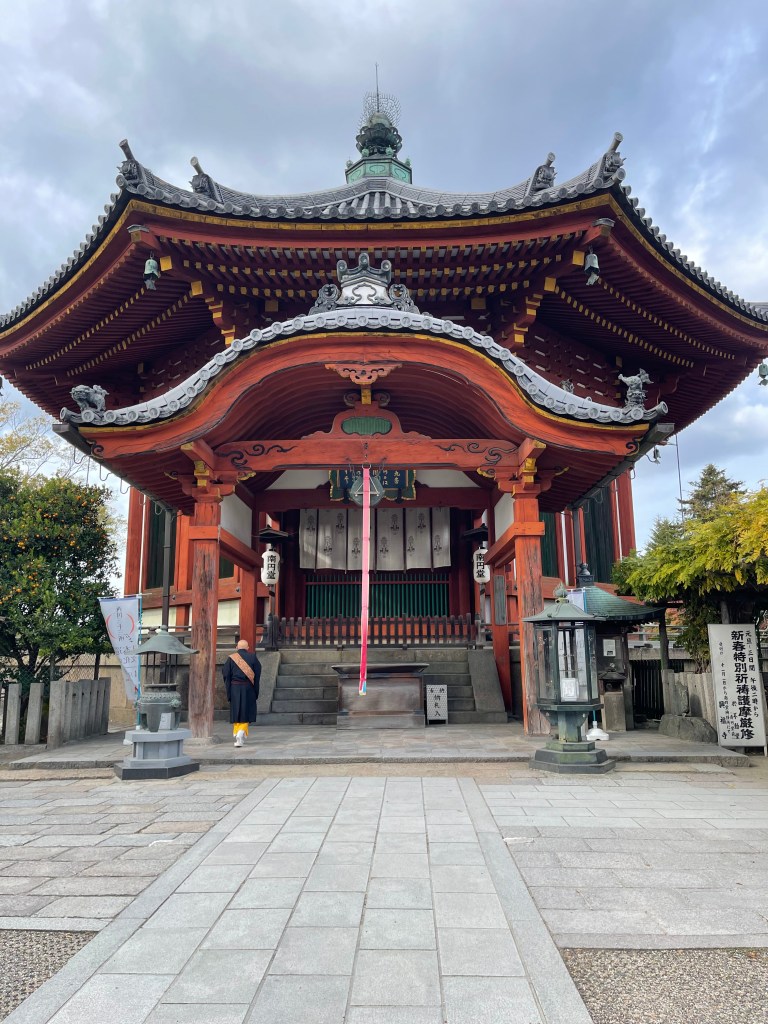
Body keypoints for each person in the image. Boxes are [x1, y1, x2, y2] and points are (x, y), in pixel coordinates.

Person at [222, 639, 261, 747]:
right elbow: (257, 675)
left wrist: (229, 690)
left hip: (234, 687)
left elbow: (226, 674)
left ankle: (238, 735)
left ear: (236, 648)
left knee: (236, 710)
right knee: (246, 711)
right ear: (248, 648)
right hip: (247, 687)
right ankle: (240, 733)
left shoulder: (231, 658)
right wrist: (255, 690)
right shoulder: (253, 657)